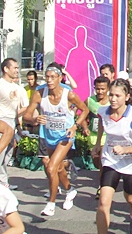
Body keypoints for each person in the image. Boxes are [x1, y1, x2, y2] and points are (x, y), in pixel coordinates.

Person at [23, 63, 90, 216]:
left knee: (51, 167)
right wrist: (35, 120)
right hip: (48, 136)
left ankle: (51, 204)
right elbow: (26, 115)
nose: (49, 80)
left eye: (53, 77)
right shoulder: (40, 93)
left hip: (64, 137)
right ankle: (69, 189)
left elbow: (85, 110)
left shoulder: (69, 94)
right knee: (58, 168)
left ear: (60, 78)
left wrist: (75, 126)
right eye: (47, 77)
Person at [92, 79, 132, 234]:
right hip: (110, 161)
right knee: (104, 202)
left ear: (126, 96)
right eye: (111, 95)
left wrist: (126, 149)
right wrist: (98, 143)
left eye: (117, 95)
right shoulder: (104, 111)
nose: (113, 99)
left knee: (130, 197)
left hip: (130, 163)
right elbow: (101, 121)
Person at [0, 58, 28, 190]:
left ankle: (3, 181)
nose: (17, 70)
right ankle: (0, 182)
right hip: (1, 122)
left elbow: (25, 107)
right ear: (6, 69)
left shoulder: (18, 88)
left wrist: (17, 122)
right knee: (0, 152)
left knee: (8, 154)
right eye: (14, 68)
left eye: (17, 68)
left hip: (12, 122)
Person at [86, 76, 111, 199]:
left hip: (107, 136)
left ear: (108, 89)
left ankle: (102, 187)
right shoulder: (90, 100)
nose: (100, 92)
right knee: (97, 162)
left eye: (103, 89)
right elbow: (80, 113)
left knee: (102, 161)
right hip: (93, 136)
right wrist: (84, 126)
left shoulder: (112, 102)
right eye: (98, 89)